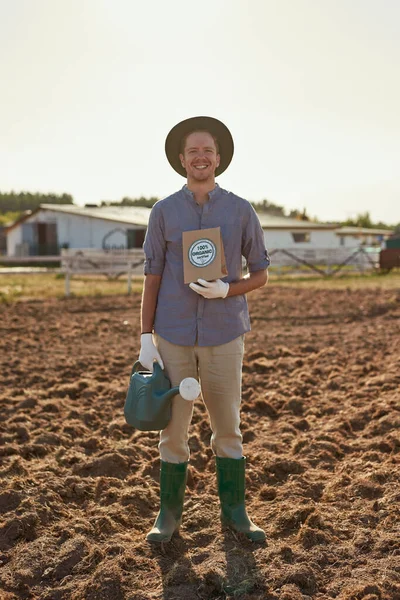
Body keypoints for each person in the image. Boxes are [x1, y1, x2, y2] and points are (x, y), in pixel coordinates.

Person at [139, 116, 270, 543]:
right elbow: (152, 277)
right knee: (172, 431)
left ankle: (236, 512)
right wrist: (145, 337)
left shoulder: (240, 210)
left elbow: (262, 274)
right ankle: (168, 516)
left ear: (219, 158)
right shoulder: (164, 212)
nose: (200, 157)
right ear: (181, 159)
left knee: (227, 427)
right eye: (192, 150)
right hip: (173, 336)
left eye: (207, 150)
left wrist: (226, 290)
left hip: (224, 334)